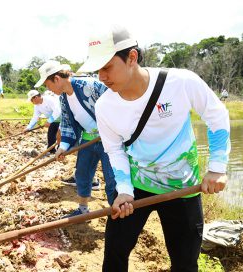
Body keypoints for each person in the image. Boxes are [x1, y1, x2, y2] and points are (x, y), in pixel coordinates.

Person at [78, 25, 231, 271]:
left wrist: (217, 167)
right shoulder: (105, 106)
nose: (102, 77)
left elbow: (217, 117)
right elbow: (115, 150)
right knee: (115, 253)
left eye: (107, 67)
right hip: (137, 187)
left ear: (132, 58)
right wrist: (125, 190)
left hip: (182, 187)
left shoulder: (180, 82)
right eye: (98, 70)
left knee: (185, 262)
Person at [35, 60, 116, 217]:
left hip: (109, 140)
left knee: (112, 178)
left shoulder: (91, 86)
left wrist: (109, 131)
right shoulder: (64, 98)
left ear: (57, 79)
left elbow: (117, 104)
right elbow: (67, 125)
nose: (48, 89)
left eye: (47, 84)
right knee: (82, 174)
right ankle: (83, 209)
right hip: (88, 139)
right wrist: (63, 147)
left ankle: (117, 212)